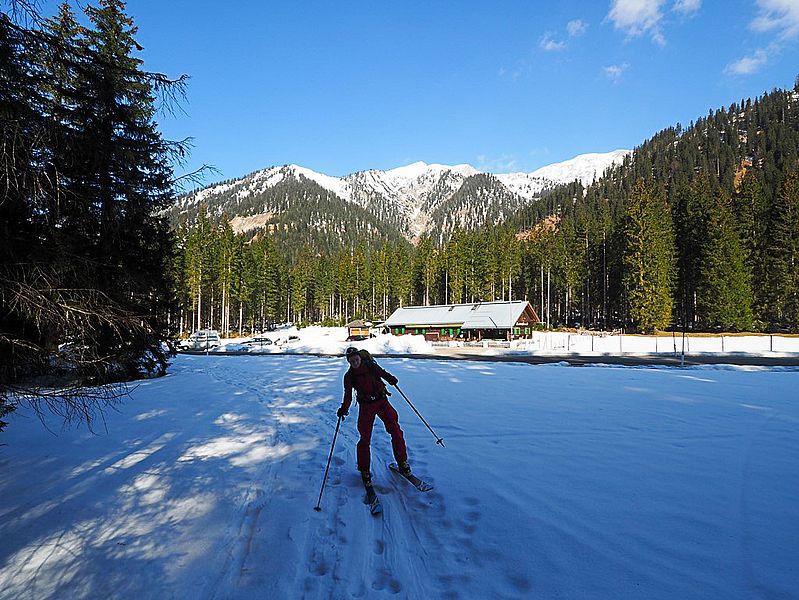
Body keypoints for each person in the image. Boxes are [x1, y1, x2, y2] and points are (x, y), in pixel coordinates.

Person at [337, 346, 412, 491]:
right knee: (365, 438)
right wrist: (344, 409)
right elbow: (347, 394)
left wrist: (391, 379)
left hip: (382, 401)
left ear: (360, 357)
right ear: (349, 362)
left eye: (356, 359)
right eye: (352, 361)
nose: (355, 362)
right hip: (366, 406)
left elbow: (382, 373)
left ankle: (402, 462)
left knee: (396, 430)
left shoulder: (371, 366)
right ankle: (365, 471)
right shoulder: (349, 376)